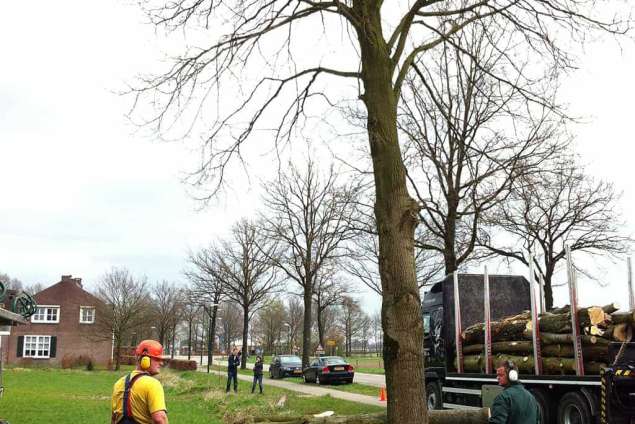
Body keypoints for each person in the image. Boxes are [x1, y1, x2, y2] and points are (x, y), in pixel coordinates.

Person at [111, 340, 169, 424]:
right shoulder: (153, 384)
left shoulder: (118, 383)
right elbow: (159, 419)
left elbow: (113, 419)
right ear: (145, 359)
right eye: (157, 359)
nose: (161, 363)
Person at [489, 360, 540, 424]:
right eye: (497, 375)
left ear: (512, 376)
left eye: (501, 375)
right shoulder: (532, 397)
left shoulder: (503, 398)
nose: (497, 378)